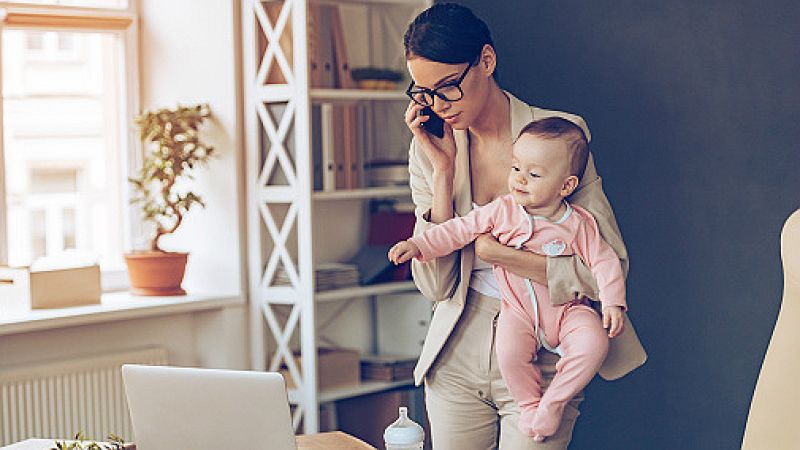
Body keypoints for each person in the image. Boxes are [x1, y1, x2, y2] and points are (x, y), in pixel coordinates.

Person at [401, 3, 647, 449]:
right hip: (457, 352)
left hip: (545, 353)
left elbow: (606, 267)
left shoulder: (560, 136)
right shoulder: (429, 149)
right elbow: (435, 286)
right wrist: (442, 174)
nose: (438, 105)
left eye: (448, 87)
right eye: (424, 93)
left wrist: (500, 256)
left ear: (486, 61)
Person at [390, 117, 626, 442]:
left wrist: (613, 303)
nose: (520, 179)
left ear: (566, 186)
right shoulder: (502, 210)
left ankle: (553, 402)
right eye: (515, 168)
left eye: (534, 174)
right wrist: (419, 245)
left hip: (568, 310)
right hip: (517, 312)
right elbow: (459, 229)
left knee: (594, 343)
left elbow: (604, 261)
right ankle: (529, 405)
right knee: (509, 352)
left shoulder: (578, 223)